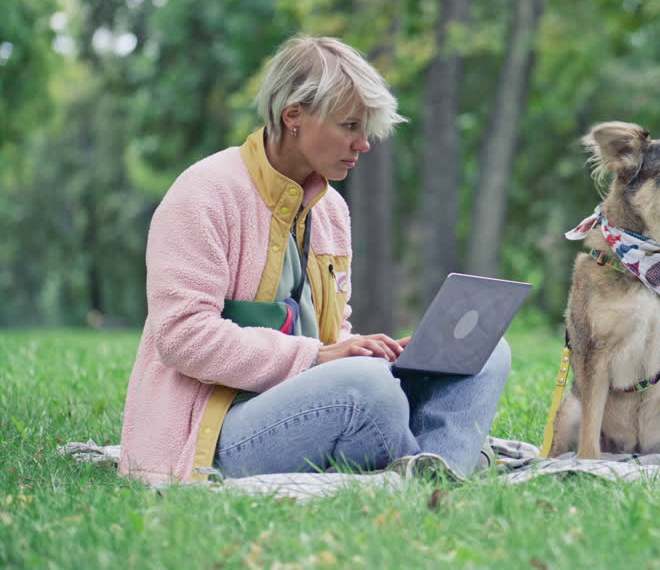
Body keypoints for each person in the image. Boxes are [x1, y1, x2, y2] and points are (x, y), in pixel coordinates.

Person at [119, 35, 511, 484]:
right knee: (367, 388)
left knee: (485, 350)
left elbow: (330, 334)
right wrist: (320, 358)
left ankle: (434, 471)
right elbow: (181, 337)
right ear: (293, 117)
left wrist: (375, 351)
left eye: (366, 128)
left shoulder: (331, 210)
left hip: (313, 405)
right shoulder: (203, 194)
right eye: (349, 126)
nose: (364, 144)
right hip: (215, 433)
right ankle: (431, 462)